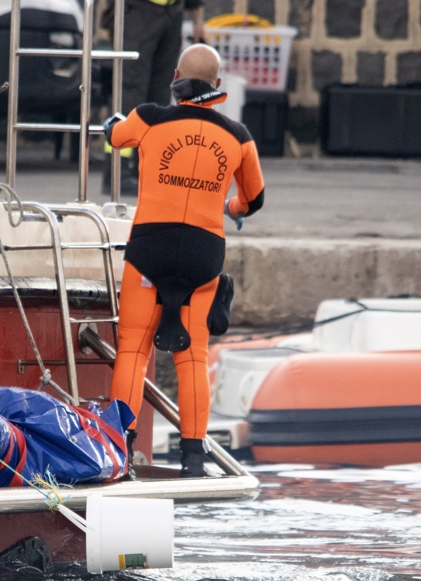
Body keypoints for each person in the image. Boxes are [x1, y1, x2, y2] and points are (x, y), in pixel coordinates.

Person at [105, 43, 264, 477]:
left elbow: (114, 136)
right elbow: (255, 198)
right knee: (193, 356)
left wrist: (112, 124)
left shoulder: (150, 117)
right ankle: (194, 457)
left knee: (133, 350)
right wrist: (230, 209)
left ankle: (121, 449)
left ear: (175, 76)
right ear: (218, 85)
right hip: (202, 254)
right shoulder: (238, 136)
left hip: (149, 247)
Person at [99, 0, 205, 195]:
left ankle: (149, 170)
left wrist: (197, 18)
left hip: (172, 12)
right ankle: (116, 172)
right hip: (137, 11)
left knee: (160, 97)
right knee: (128, 94)